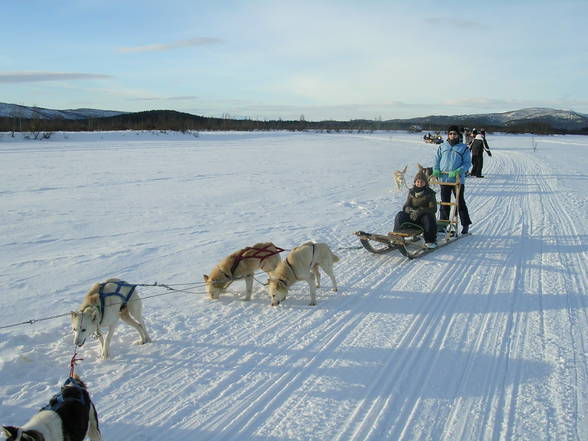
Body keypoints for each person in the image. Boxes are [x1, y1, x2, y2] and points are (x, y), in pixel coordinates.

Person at [432, 125, 472, 234]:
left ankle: (465, 224)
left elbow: (467, 163)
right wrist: (436, 169)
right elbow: (436, 159)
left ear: (458, 135)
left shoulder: (464, 148)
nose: (452, 135)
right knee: (444, 202)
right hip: (444, 179)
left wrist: (458, 171)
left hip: (457, 180)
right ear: (448, 135)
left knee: (459, 202)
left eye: (454, 134)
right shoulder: (442, 146)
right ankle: (443, 224)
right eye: (450, 133)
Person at [393, 171, 438, 248]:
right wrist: (407, 208)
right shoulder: (411, 192)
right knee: (400, 215)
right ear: (415, 182)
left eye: (422, 182)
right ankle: (397, 236)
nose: (419, 183)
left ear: (425, 183)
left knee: (428, 217)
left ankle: (430, 241)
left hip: (424, 218)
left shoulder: (430, 193)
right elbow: (406, 204)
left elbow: (433, 209)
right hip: (412, 216)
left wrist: (420, 211)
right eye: (418, 181)